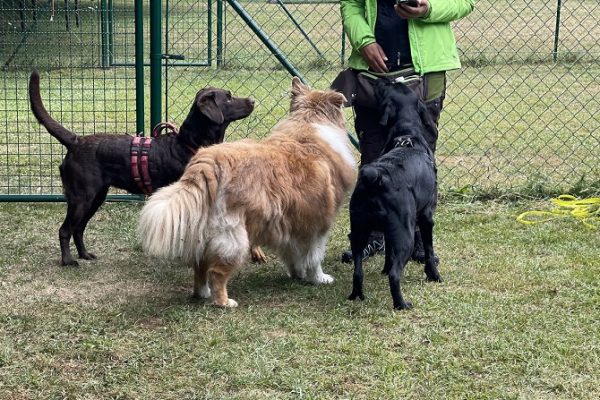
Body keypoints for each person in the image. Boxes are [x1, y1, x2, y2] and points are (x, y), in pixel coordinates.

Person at [336, 0, 475, 263]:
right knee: (373, 158)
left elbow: (465, 2)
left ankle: (419, 238)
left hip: (424, 75)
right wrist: (364, 42)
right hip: (371, 78)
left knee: (421, 159)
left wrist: (428, 9)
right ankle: (370, 236)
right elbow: (351, 5)